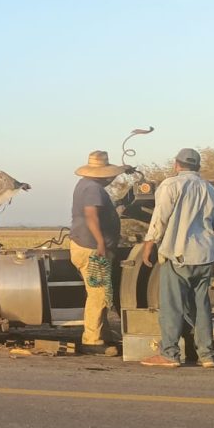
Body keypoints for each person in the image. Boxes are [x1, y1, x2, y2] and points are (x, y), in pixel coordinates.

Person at [140, 148, 214, 369]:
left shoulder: (171, 185)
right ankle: (206, 355)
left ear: (176, 164)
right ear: (198, 167)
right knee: (202, 305)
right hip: (205, 255)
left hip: (177, 254)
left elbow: (160, 218)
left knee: (172, 306)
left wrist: (148, 244)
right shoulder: (211, 191)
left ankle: (170, 354)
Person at [70, 150, 125, 356]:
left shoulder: (85, 185)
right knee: (98, 294)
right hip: (92, 247)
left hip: (85, 245)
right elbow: (91, 216)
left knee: (97, 293)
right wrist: (101, 243)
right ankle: (92, 340)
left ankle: (103, 336)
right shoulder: (93, 189)